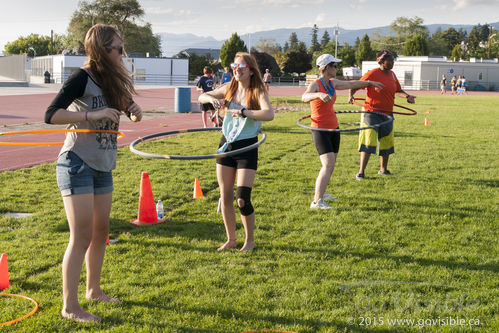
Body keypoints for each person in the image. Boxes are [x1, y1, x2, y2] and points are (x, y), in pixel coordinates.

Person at [44, 24, 142, 322]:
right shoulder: (81, 77)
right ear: (101, 49)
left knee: (101, 233)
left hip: (103, 165)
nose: (122, 53)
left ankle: (94, 290)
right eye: (118, 48)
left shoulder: (112, 80)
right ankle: (70, 307)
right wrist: (91, 114)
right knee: (82, 236)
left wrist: (134, 108)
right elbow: (51, 115)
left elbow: (129, 110)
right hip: (77, 162)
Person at [198, 52, 274, 251]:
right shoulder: (229, 87)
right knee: (225, 195)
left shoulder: (257, 90)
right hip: (227, 145)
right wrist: (211, 99)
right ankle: (231, 240)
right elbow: (201, 95)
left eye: (240, 68)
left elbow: (269, 114)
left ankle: (249, 241)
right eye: (234, 67)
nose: (236, 71)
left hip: (247, 147)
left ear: (250, 71)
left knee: (242, 198)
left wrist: (244, 112)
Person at [302, 54, 384, 209]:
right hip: (320, 129)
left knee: (331, 164)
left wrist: (369, 82)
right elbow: (304, 97)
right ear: (326, 68)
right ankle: (316, 201)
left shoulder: (332, 83)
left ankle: (322, 192)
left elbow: (352, 84)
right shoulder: (316, 84)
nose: (337, 68)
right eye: (335, 66)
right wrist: (318, 94)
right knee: (327, 164)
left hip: (334, 127)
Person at [349, 49, 415, 180]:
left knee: (386, 141)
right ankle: (361, 172)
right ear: (381, 61)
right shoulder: (373, 73)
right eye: (389, 60)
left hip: (388, 114)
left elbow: (398, 90)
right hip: (371, 113)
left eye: (393, 60)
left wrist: (407, 96)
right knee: (368, 142)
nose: (392, 62)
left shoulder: (392, 75)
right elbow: (357, 84)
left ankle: (383, 170)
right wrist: (351, 96)